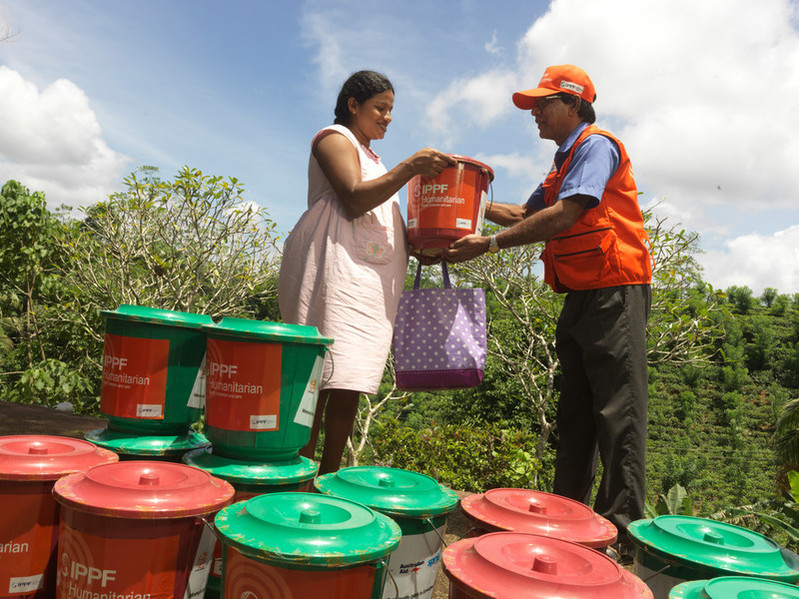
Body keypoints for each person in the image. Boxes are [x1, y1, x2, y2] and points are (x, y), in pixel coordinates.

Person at [446, 64, 652, 555]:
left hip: (616, 290)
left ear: (574, 105)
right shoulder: (561, 165)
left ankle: (621, 535)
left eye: (543, 103)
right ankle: (568, 519)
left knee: (617, 412)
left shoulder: (595, 146)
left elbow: (567, 213)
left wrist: (490, 245)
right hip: (583, 294)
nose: (534, 112)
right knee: (576, 410)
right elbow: (524, 213)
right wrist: (463, 191)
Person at [278, 70, 455, 475]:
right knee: (319, 376)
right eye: (381, 108)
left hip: (367, 283)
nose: (388, 117)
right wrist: (411, 166)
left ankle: (329, 475)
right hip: (334, 270)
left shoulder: (376, 160)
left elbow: (381, 216)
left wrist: (424, 247)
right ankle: (297, 474)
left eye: (391, 110)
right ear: (353, 105)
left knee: (350, 380)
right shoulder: (333, 138)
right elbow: (355, 199)